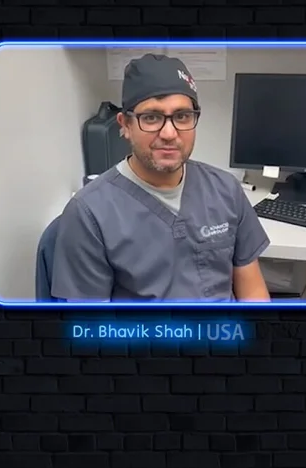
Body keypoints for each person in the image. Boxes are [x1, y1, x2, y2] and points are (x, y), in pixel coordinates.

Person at [50, 53, 271, 302]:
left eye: (182, 116)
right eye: (151, 117)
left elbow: (253, 292)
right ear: (125, 125)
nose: (169, 133)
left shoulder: (225, 190)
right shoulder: (89, 213)